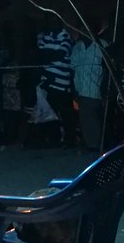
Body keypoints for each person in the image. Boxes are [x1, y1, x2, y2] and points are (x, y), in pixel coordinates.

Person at [36, 15, 75, 146]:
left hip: (62, 82)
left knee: (65, 114)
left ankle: (69, 140)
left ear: (60, 22)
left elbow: (59, 54)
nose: (52, 23)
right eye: (50, 21)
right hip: (47, 82)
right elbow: (40, 55)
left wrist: (47, 55)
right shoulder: (46, 36)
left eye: (55, 21)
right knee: (50, 113)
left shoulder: (66, 37)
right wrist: (49, 55)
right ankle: (54, 140)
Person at [69, 24, 109, 152]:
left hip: (97, 88)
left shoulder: (102, 45)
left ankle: (96, 145)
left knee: (94, 118)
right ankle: (92, 144)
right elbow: (73, 69)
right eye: (82, 29)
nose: (84, 31)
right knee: (86, 118)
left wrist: (105, 88)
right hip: (81, 88)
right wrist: (73, 90)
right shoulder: (77, 47)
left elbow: (108, 69)